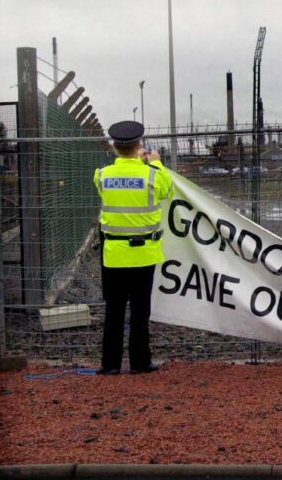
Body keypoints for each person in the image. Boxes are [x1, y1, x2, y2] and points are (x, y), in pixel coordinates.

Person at [94, 121, 173, 375]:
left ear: (115, 147)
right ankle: (140, 362)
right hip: (144, 254)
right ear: (139, 145)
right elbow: (167, 189)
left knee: (114, 310)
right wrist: (155, 162)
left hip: (114, 255)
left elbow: (105, 189)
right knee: (140, 310)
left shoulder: (102, 174)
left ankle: (110, 364)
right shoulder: (153, 174)